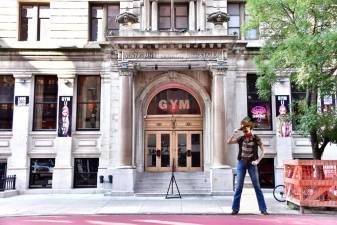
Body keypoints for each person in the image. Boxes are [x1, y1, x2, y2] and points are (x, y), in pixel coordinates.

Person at [227, 117, 268, 215]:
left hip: (252, 164)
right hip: (241, 162)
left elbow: (264, 151)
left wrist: (258, 161)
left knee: (257, 186)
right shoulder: (241, 138)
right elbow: (228, 142)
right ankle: (235, 209)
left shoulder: (256, 138)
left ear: (250, 128)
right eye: (244, 131)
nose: (245, 132)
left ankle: (263, 209)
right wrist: (234, 133)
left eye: (246, 130)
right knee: (239, 187)